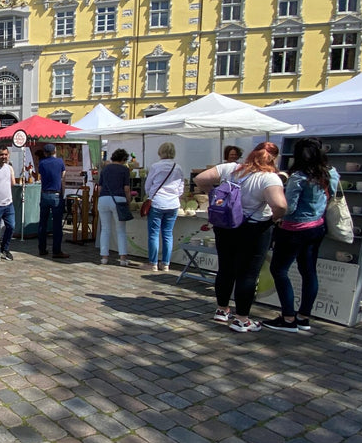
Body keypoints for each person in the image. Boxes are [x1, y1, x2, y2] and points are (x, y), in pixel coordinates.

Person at [195, 141, 287, 332]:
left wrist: (213, 194)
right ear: (274, 158)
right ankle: (242, 319)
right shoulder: (269, 178)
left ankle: (222, 309)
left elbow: (201, 179)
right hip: (254, 228)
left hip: (226, 225)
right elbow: (280, 205)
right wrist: (273, 220)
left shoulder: (231, 169)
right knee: (248, 273)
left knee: (226, 268)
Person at [265, 138, 339, 332]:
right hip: (317, 227)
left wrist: (273, 215)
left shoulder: (298, 177)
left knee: (279, 270)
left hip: (293, 230)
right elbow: (331, 196)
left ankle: (288, 318)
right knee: (309, 271)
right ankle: (304, 317)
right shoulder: (331, 173)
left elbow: (289, 208)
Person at [144, 142, 184, 272]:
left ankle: (153, 263)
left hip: (157, 202)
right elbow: (181, 188)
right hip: (172, 204)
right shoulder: (178, 167)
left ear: (160, 152)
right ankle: (166, 263)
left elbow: (148, 185)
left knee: (154, 234)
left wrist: (150, 195)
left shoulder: (155, 166)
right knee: (168, 234)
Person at [97, 149, 134, 266]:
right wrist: (128, 201)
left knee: (105, 229)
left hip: (103, 199)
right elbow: (126, 189)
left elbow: (99, 188)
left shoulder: (105, 169)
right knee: (121, 230)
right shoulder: (124, 170)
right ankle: (123, 258)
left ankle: (104, 257)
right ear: (123, 159)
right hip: (118, 199)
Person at [37, 143, 69, 258]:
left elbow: (40, 177)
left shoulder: (41, 163)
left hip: (44, 194)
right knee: (57, 224)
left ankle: (42, 248)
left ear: (45, 153)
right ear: (55, 151)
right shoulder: (60, 162)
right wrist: (63, 194)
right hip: (56, 194)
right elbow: (63, 179)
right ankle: (56, 250)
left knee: (43, 223)